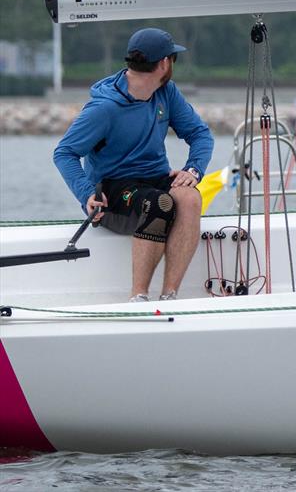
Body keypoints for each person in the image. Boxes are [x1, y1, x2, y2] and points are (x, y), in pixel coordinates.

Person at [53, 28, 214, 301]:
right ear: (164, 63)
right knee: (160, 203)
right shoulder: (104, 108)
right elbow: (64, 153)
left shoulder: (167, 93)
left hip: (153, 180)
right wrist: (85, 194)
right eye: (172, 58)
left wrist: (193, 169)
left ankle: (169, 295)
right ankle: (137, 297)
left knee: (189, 197)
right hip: (113, 190)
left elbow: (200, 134)